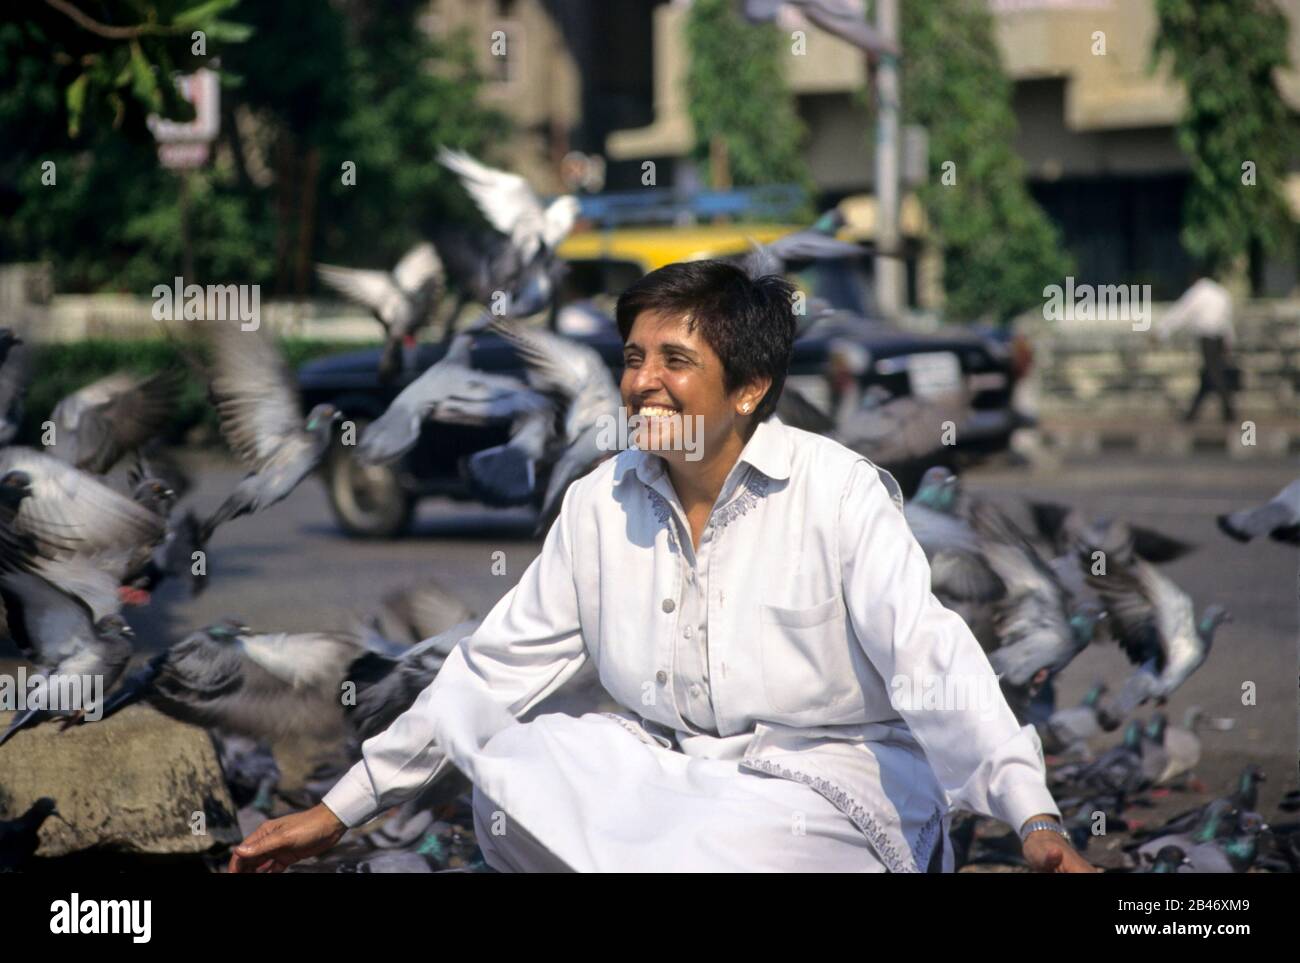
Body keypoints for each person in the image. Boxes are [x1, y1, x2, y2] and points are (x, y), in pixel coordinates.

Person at [230, 260, 1096, 873]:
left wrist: (1032, 816)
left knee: (732, 842)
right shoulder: (601, 502)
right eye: (633, 359)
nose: (642, 382)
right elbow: (487, 673)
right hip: (673, 776)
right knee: (507, 768)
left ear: (750, 388)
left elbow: (931, 657)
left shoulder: (838, 495)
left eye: (674, 361)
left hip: (827, 787)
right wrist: (339, 808)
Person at [1157, 274, 1238, 424]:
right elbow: (1227, 320)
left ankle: (1228, 408)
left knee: (1213, 374)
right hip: (1219, 338)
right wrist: (1230, 341)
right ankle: (1192, 414)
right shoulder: (1221, 293)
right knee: (1208, 375)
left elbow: (1181, 313)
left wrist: (1162, 331)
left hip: (1207, 338)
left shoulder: (1198, 292)